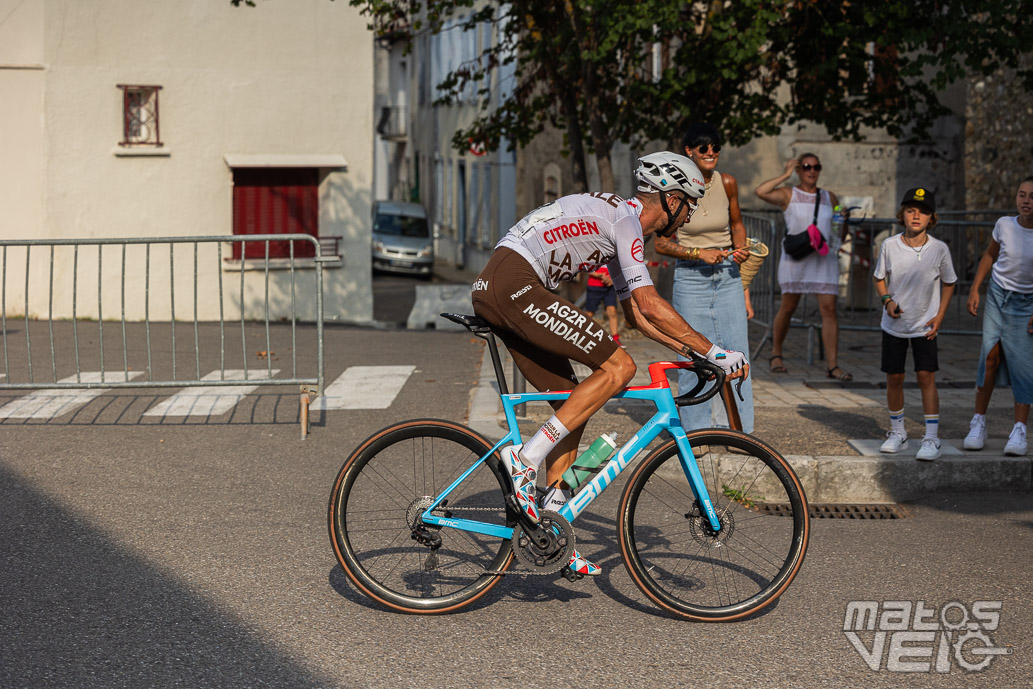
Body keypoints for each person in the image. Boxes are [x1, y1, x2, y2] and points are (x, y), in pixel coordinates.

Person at [471, 151, 750, 576]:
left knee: (573, 406)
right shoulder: (627, 223)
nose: (690, 214)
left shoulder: (619, 224)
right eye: (689, 204)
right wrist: (715, 352)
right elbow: (651, 304)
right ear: (670, 199)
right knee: (620, 368)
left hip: (502, 283)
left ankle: (551, 528)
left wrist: (693, 354)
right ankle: (523, 460)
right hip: (514, 282)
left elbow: (639, 316)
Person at [653, 122, 753, 432]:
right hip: (691, 278)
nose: (711, 153)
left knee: (738, 353)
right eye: (703, 148)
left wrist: (741, 251)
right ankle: (695, 434)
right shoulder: (675, 188)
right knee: (695, 355)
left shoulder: (728, 183)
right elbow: (660, 243)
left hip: (728, 274)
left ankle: (739, 431)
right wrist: (698, 254)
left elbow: (737, 224)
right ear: (689, 151)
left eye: (715, 148)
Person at [872, 188, 957, 461]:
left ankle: (931, 438)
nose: (916, 215)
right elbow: (879, 277)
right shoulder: (890, 245)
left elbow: (949, 282)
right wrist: (887, 300)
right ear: (902, 215)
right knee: (894, 377)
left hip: (925, 325)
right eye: (910, 210)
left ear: (931, 217)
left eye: (922, 211)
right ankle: (898, 432)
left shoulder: (939, 249)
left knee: (925, 376)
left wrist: (940, 315)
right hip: (894, 325)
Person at [755, 153, 852, 380]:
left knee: (829, 310)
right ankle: (776, 354)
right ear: (799, 170)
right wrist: (785, 174)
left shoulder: (830, 197)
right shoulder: (789, 193)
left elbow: (840, 234)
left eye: (816, 167)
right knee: (788, 308)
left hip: (823, 259)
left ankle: (832, 365)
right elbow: (761, 191)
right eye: (806, 167)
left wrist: (844, 221)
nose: (812, 171)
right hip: (796, 257)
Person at [962, 176, 1033, 456]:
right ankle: (978, 422)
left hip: (1026, 303)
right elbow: (989, 257)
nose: (1026, 201)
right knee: (989, 357)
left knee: (1022, 364)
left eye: (1032, 196)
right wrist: (975, 289)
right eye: (1022, 195)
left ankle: (1019, 430)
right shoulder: (1004, 224)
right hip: (997, 296)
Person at [583, 265, 621, 347]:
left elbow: (620, 269)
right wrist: (599, 275)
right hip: (594, 286)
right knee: (589, 313)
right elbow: (585, 268)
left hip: (610, 287)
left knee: (612, 310)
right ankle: (582, 336)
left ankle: (615, 338)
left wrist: (613, 280)